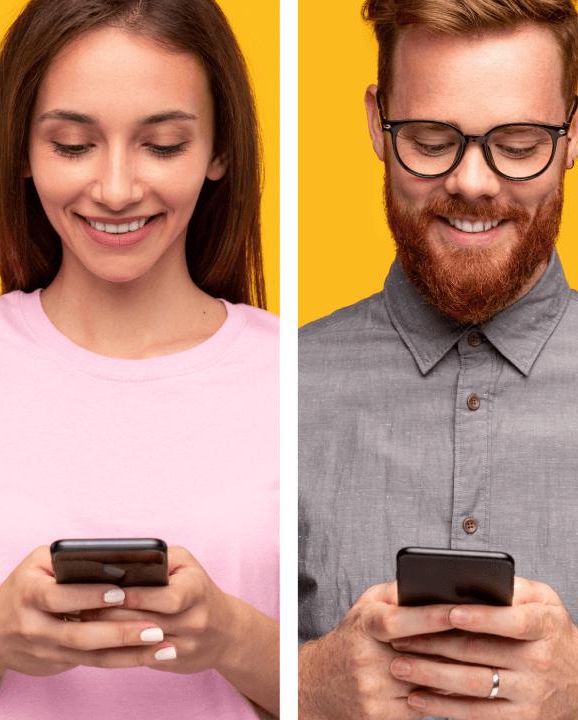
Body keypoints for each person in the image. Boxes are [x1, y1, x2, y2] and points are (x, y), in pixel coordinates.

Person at [0, 0, 278, 718]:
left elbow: (365, 691)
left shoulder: (298, 374)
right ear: (24, 155)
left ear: (220, 150)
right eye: (72, 145)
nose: (118, 189)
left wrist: (232, 635)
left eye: (162, 146)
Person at [299, 0, 578, 718]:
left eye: (518, 142)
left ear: (574, 131)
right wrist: (304, 687)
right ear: (376, 124)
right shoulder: (269, 388)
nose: (474, 183)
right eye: (431, 138)